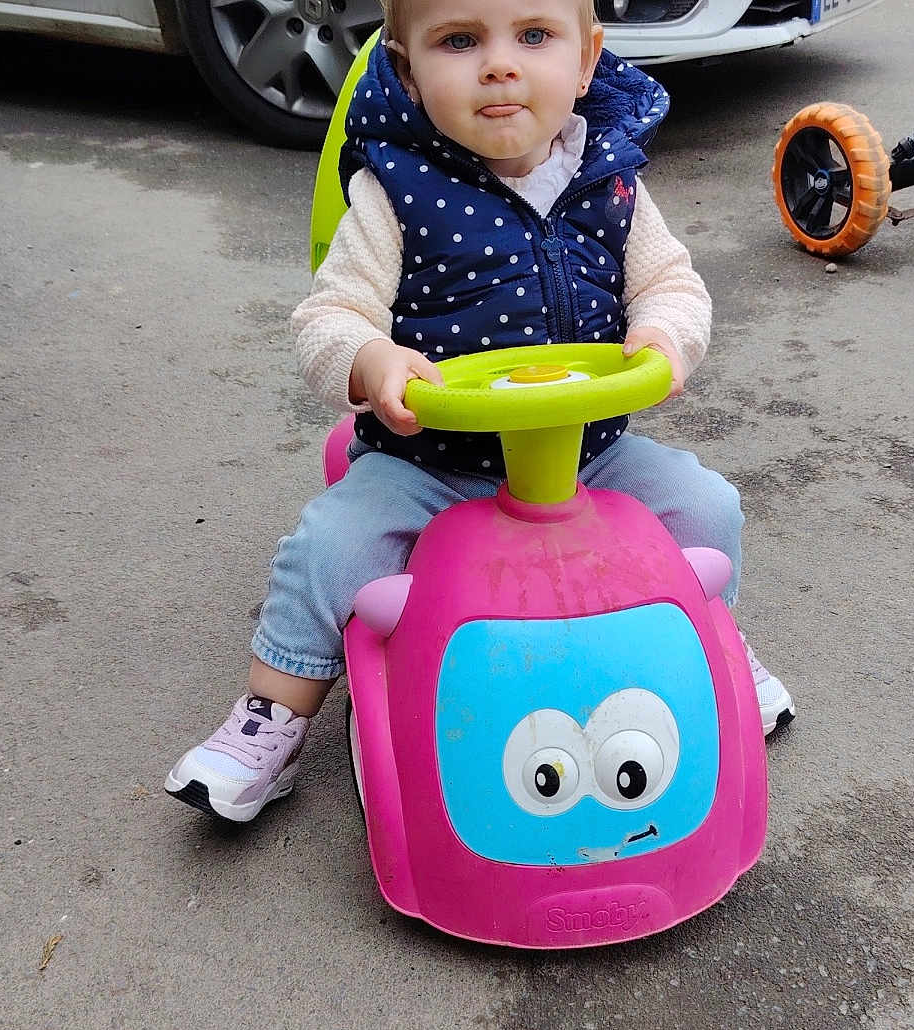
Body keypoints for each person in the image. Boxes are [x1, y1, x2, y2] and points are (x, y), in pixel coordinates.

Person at [165, 0, 795, 823]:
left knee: (706, 505)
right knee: (329, 547)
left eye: (533, 37)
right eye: (459, 41)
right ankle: (271, 717)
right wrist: (370, 359)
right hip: (430, 464)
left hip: (587, 456)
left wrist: (662, 335)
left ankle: (711, 642)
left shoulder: (612, 180)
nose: (499, 65)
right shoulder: (395, 191)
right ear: (406, 67)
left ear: (585, 57)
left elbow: (672, 286)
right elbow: (329, 316)